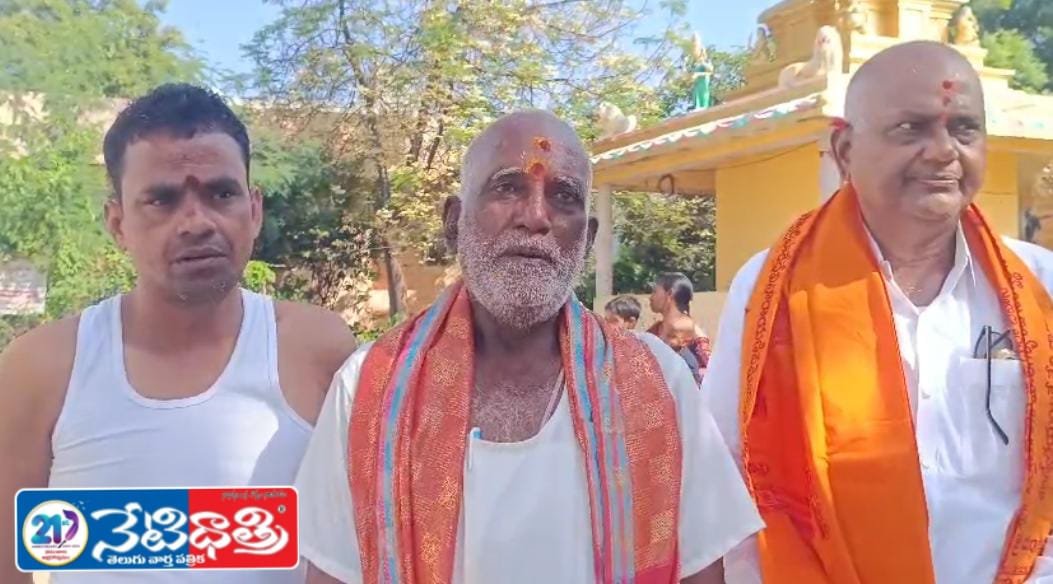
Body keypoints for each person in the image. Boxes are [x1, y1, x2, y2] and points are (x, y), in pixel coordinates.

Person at [295, 110, 763, 584]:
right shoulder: (370, 388)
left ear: (588, 238)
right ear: (454, 222)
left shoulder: (657, 382)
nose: (536, 216)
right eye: (507, 187)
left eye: (563, 197)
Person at [704, 41, 1053, 583]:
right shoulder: (771, 288)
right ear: (844, 151)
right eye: (910, 129)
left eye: (964, 129)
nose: (943, 152)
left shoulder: (1040, 287)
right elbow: (724, 477)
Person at [0, 84, 358, 583]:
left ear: (253, 209)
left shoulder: (320, 351)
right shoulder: (43, 368)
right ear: (118, 223)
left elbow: (355, 548)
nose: (196, 222)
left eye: (221, 193)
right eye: (162, 200)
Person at [649, 272, 711, 381]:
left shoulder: (694, 335)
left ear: (669, 294)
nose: (651, 297)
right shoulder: (654, 331)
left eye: (655, 291)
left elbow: (708, 373)